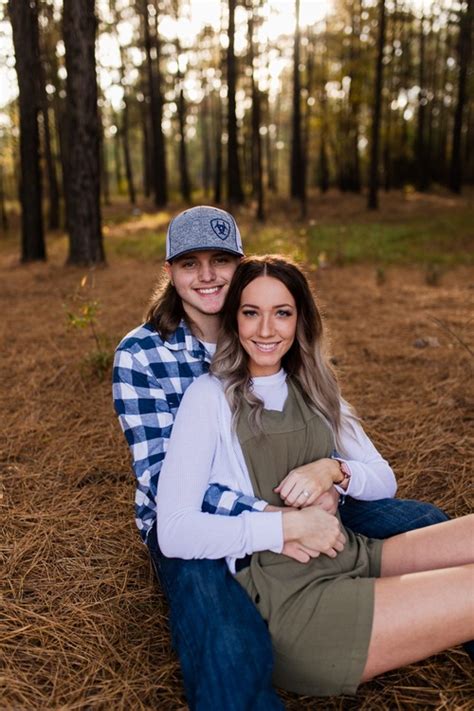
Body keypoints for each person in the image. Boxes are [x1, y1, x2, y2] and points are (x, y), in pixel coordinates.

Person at [112, 207, 449, 710]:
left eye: (221, 260)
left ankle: (398, 605)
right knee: (226, 634)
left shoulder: (260, 331)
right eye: (189, 263)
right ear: (169, 272)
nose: (206, 276)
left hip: (297, 492)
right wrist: (284, 521)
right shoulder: (141, 355)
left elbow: (346, 449)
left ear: (242, 267)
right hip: (199, 519)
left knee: (422, 521)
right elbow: (168, 491)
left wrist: (333, 478)